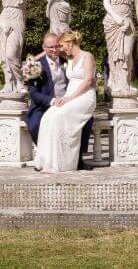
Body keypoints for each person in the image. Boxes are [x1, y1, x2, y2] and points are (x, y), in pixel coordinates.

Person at [33, 31, 97, 173]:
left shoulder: (87, 56)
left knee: (57, 117)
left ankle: (62, 163)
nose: (59, 49)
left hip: (84, 96)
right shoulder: (68, 58)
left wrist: (70, 97)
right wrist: (45, 50)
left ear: (70, 43)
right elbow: (33, 62)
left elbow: (87, 81)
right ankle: (45, 162)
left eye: (61, 45)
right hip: (70, 96)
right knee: (48, 117)